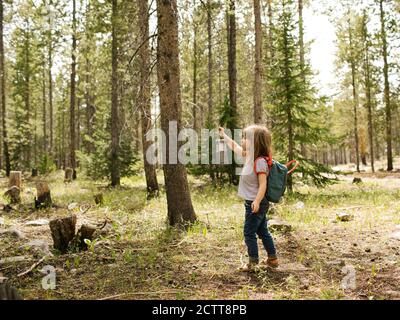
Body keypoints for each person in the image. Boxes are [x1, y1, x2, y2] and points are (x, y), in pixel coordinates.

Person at [219, 125, 278, 271]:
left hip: (256, 202)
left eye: (246, 138)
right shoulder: (249, 157)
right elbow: (235, 146)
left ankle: (253, 263)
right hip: (254, 202)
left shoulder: (259, 162)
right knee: (262, 230)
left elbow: (263, 185)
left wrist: (257, 201)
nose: (243, 140)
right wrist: (224, 135)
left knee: (249, 232)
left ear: (256, 142)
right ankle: (272, 258)